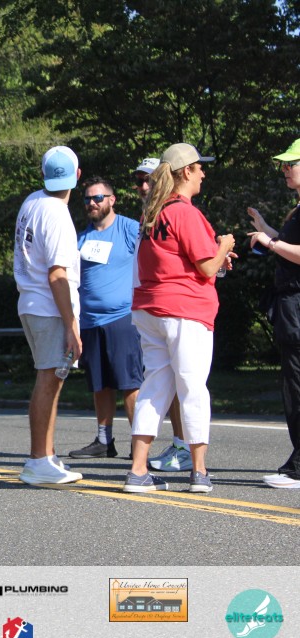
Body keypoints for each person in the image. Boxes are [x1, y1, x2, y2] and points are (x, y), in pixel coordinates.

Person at [122, 143, 235, 493]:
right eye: (199, 167)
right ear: (186, 172)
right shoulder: (185, 212)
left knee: (154, 387)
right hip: (185, 311)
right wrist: (225, 246)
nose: (203, 173)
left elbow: (178, 260)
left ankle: (138, 470)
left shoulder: (153, 212)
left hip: (150, 308)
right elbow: (207, 268)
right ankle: (199, 471)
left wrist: (215, 258)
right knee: (192, 388)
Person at [13, 146, 83, 484]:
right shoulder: (57, 214)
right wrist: (71, 325)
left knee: (52, 379)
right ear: (77, 176)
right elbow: (57, 275)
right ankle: (38, 459)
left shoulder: (32, 202)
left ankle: (47, 456)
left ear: (43, 175)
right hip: (49, 307)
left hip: (31, 301)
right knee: (49, 379)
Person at [67, 177, 143, 459]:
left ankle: (139, 443)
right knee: (100, 384)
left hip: (122, 319)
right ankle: (104, 441)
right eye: (87, 199)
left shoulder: (129, 229)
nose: (92, 203)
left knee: (130, 383)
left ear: (112, 200)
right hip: (90, 322)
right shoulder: (81, 238)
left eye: (98, 198)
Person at [246, 138, 300, 489]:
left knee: (297, 384)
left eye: (290, 163)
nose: (284, 169)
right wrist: (266, 228)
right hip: (290, 304)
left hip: (297, 303)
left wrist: (270, 242)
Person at [134, 158, 192, 472]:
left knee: (183, 383)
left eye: (150, 179)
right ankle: (143, 463)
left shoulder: (177, 212)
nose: (144, 186)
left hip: (177, 309)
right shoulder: (147, 217)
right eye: (140, 181)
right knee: (158, 383)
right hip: (147, 309)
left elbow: (197, 260)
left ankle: (187, 450)